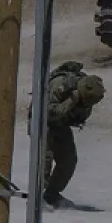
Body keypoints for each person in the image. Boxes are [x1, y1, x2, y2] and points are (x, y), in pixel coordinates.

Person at [41, 61, 105, 209]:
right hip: (42, 123)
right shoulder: (60, 85)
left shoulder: (87, 97)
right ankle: (38, 197)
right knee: (44, 160)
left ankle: (51, 194)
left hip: (60, 125)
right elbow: (48, 113)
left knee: (69, 160)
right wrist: (71, 101)